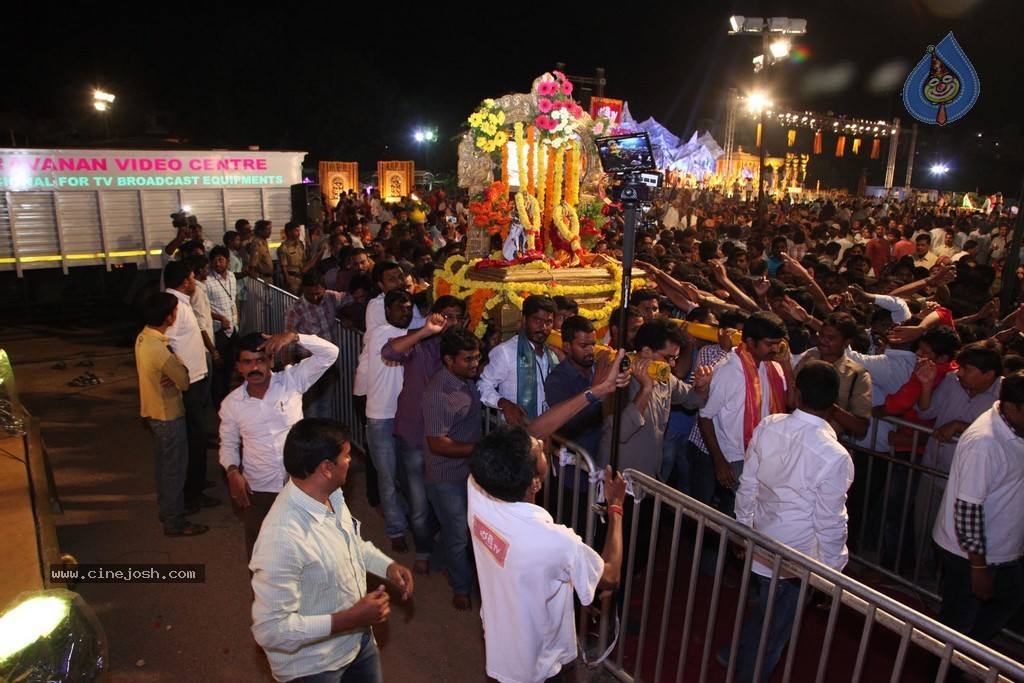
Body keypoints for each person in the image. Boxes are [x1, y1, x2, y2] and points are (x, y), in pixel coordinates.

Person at [719, 360, 854, 683]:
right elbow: (830, 522)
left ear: (796, 392)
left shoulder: (769, 426)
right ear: (833, 403)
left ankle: (733, 655)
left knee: (767, 612)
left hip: (763, 539)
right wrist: (832, 573)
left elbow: (747, 484)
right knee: (774, 636)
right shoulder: (835, 456)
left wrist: (744, 529)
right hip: (798, 557)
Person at [251, 418, 414, 683]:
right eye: (347, 456)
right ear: (326, 467)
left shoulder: (331, 494)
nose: (350, 461)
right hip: (313, 668)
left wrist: (387, 566)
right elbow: (271, 630)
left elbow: (349, 543)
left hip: (356, 643)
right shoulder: (282, 538)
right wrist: (349, 618)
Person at [467, 425, 627, 683]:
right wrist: (616, 507)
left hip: (500, 640)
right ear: (535, 481)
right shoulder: (554, 541)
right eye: (539, 451)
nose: (541, 443)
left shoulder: (478, 490)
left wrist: (594, 393)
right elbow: (610, 575)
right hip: (536, 661)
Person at [219, 330, 339, 560]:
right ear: (238, 367)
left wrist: (295, 337)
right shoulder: (231, 405)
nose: (255, 368)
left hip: (301, 484)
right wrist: (232, 471)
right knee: (262, 558)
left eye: (260, 360)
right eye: (247, 362)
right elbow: (228, 444)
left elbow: (330, 353)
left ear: (271, 361)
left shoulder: (291, 381)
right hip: (259, 490)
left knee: (310, 553)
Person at [932, 371, 1024, 647]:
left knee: (1008, 600)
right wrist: (979, 566)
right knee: (959, 624)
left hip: (1002, 549)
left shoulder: (1012, 426)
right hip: (970, 556)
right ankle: (947, 669)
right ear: (1011, 407)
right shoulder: (985, 443)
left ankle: (967, 658)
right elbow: (969, 508)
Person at [382, 295, 468, 575]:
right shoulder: (420, 344)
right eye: (446, 316)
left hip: (448, 442)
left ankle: (448, 554)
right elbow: (390, 352)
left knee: (451, 504)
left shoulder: (467, 350)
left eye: (457, 317)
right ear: (434, 315)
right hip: (415, 435)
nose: (452, 323)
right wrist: (426, 331)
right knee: (419, 504)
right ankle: (424, 549)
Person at [696, 311, 792, 516]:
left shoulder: (773, 366)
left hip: (762, 453)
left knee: (744, 510)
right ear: (750, 341)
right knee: (748, 509)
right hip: (735, 456)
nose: (776, 349)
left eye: (778, 343)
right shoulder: (729, 371)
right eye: (770, 344)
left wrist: (786, 363)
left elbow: (792, 401)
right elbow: (704, 416)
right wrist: (719, 460)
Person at [134, 292, 208, 537]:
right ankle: (175, 521)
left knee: (165, 467)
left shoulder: (145, 337)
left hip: (154, 412)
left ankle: (167, 511)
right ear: (169, 317)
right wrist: (180, 368)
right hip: (168, 414)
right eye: (175, 311)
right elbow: (184, 380)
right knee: (175, 469)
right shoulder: (160, 347)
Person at [163, 260, 219, 515]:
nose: (195, 281)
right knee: (194, 439)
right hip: (188, 384)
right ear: (185, 281)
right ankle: (192, 494)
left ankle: (196, 483)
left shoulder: (180, 304)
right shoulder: (174, 307)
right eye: (193, 277)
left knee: (196, 436)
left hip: (194, 380)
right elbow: (168, 344)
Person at [364, 290, 416, 553]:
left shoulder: (413, 332)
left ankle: (410, 520)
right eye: (399, 308)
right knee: (387, 476)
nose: (405, 312)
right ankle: (395, 528)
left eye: (408, 308)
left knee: (409, 474)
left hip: (405, 415)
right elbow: (410, 340)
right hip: (381, 416)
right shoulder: (380, 333)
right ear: (387, 312)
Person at [477, 295, 559, 425]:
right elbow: (483, 385)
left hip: (548, 427)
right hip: (515, 430)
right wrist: (504, 403)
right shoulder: (505, 352)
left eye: (548, 322)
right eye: (537, 320)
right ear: (524, 320)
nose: (543, 327)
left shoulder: (552, 353)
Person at [284, 271, 351, 419]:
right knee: (311, 409)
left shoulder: (330, 297)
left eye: (318, 293)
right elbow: (288, 345)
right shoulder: (295, 310)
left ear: (324, 289)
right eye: (310, 294)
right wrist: (288, 374)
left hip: (329, 365)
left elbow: (351, 298)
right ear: (303, 290)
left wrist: (345, 316)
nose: (315, 297)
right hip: (307, 366)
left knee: (326, 406)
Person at [207, 246, 238, 409]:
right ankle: (219, 405)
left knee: (228, 370)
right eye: (214, 260)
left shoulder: (232, 277)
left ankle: (227, 402)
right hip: (218, 331)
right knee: (218, 371)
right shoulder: (207, 281)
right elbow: (203, 309)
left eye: (220, 259)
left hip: (232, 330)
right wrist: (220, 317)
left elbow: (233, 300)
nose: (217, 263)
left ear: (228, 261)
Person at [277, 221, 308, 295]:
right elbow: (283, 266)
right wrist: (288, 282)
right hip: (291, 278)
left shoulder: (300, 244)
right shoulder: (284, 247)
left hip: (301, 277)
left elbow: (304, 260)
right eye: (296, 231)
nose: (298, 233)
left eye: (298, 231)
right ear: (289, 233)